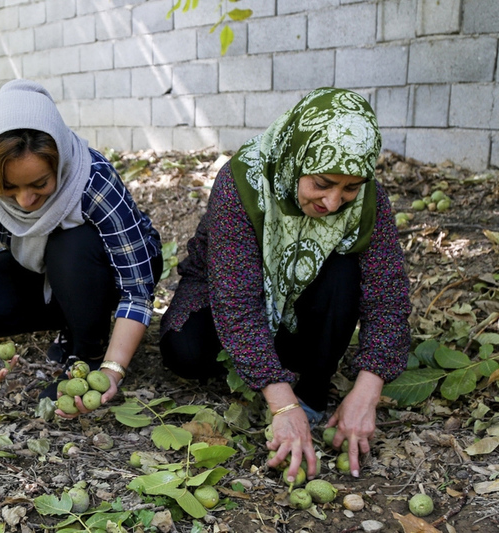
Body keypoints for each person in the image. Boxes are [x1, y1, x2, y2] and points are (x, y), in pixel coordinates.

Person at [158, 88, 411, 482]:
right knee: (185, 350)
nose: (333, 202)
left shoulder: (369, 200)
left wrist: (367, 391)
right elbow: (236, 300)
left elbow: (387, 295)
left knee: (346, 270)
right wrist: (280, 405)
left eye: (349, 188)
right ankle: (271, 374)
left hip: (307, 295)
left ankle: (309, 390)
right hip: (231, 286)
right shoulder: (242, 182)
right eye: (322, 183)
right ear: (297, 159)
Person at [0, 79, 163, 417]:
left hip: (107, 270)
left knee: (70, 243)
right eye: (8, 187)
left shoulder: (93, 178)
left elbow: (137, 289)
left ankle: (86, 352)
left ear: (58, 162)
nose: (26, 200)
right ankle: (75, 319)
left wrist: (112, 370)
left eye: (40, 184)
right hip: (44, 268)